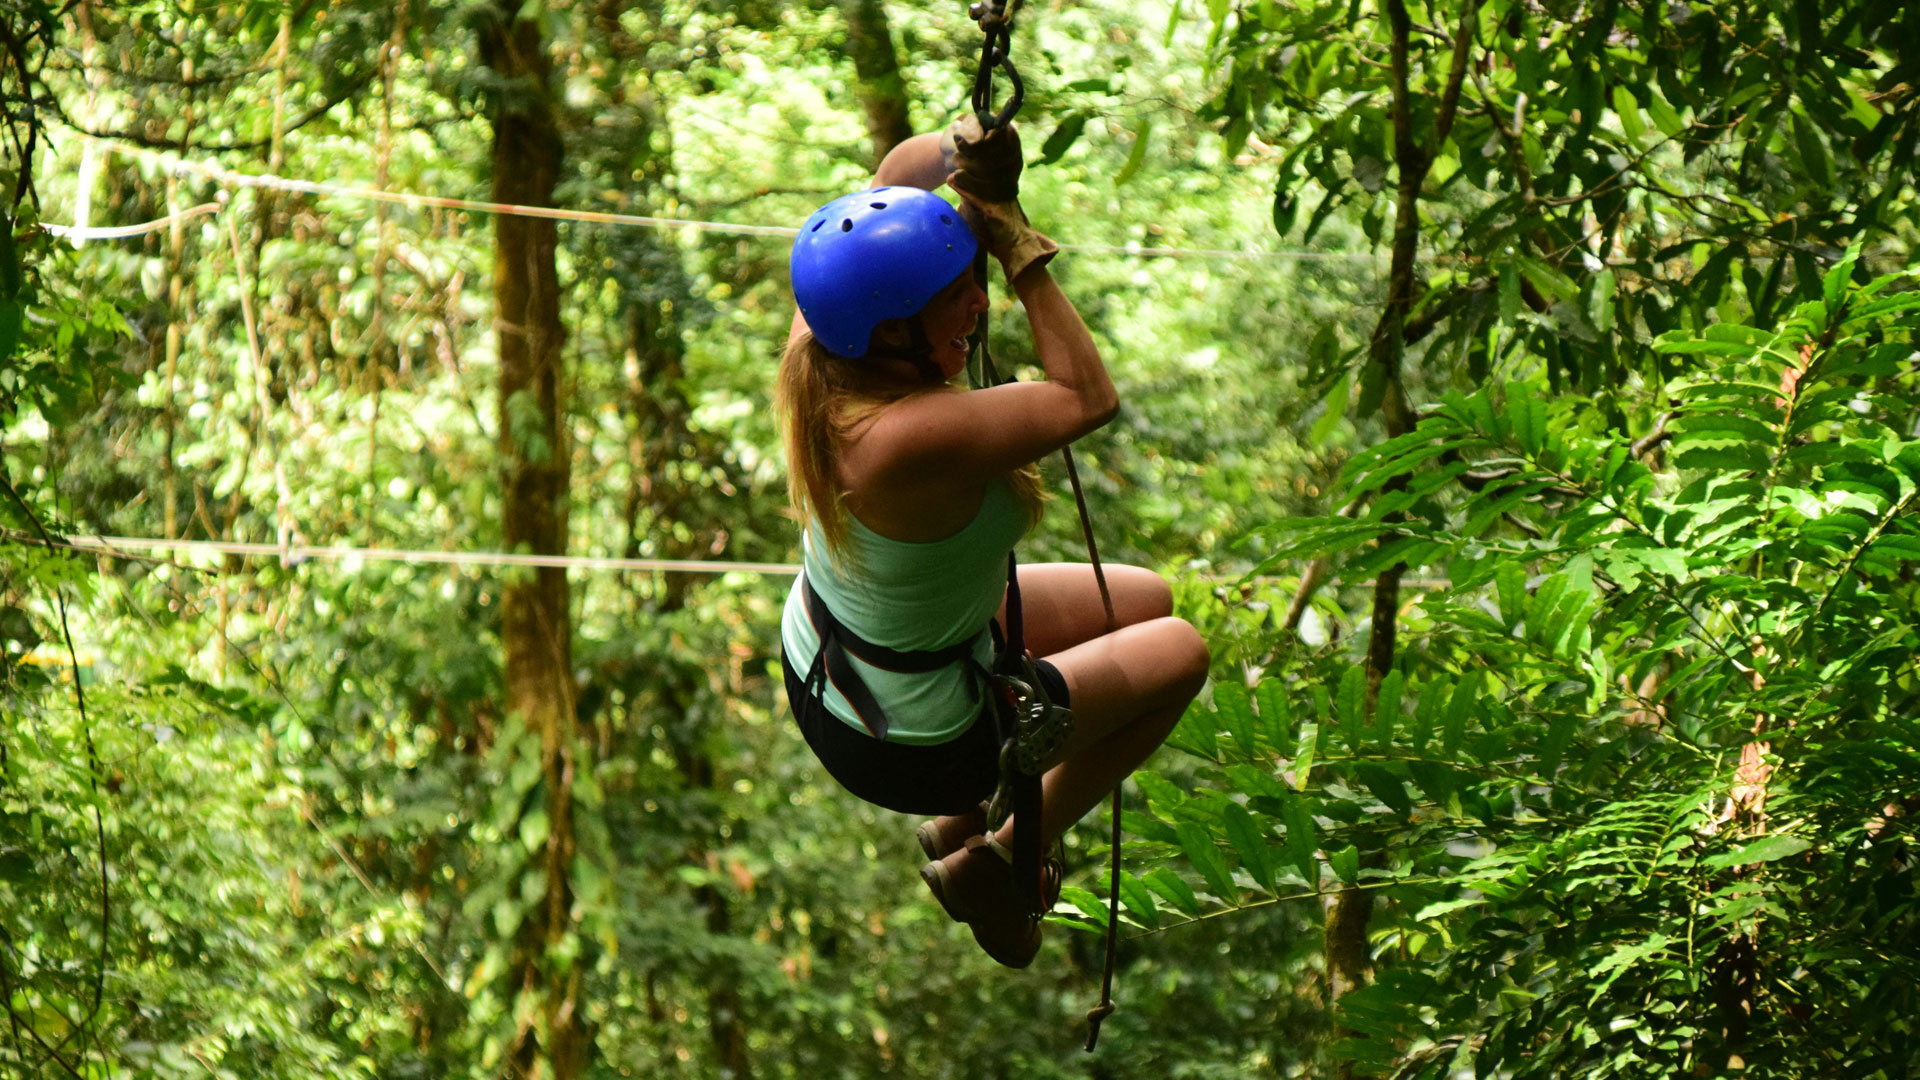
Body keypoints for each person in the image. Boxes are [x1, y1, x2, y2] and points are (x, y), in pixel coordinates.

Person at [775, 124, 1209, 968]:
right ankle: (1002, 852)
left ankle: (956, 823)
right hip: (906, 739)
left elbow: (897, 176)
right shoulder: (904, 438)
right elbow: (1086, 396)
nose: (977, 307)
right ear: (895, 331)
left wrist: (961, 146)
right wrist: (1013, 244)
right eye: (954, 299)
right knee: (1180, 652)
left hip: (837, 661)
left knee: (1146, 601)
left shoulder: (826, 347)